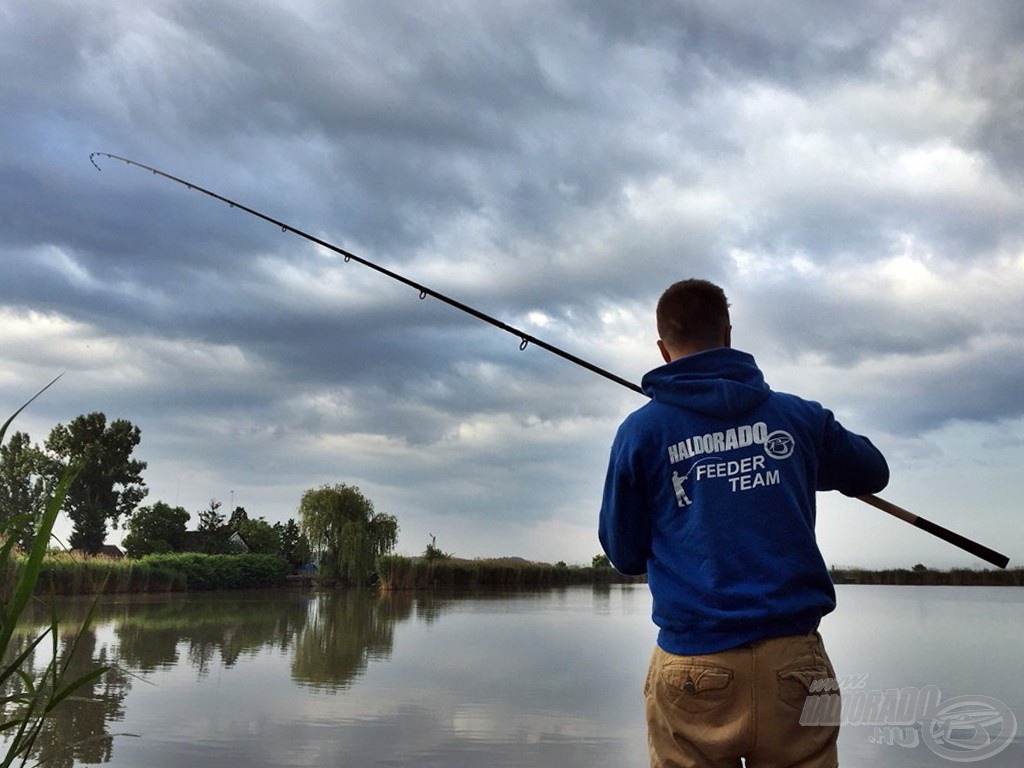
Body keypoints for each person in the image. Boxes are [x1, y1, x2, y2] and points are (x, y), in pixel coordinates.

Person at [599, 278, 889, 768]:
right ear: (729, 334)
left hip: (692, 665)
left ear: (662, 348)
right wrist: (791, 463)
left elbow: (625, 555)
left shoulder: (641, 432)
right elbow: (872, 472)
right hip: (794, 664)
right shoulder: (799, 418)